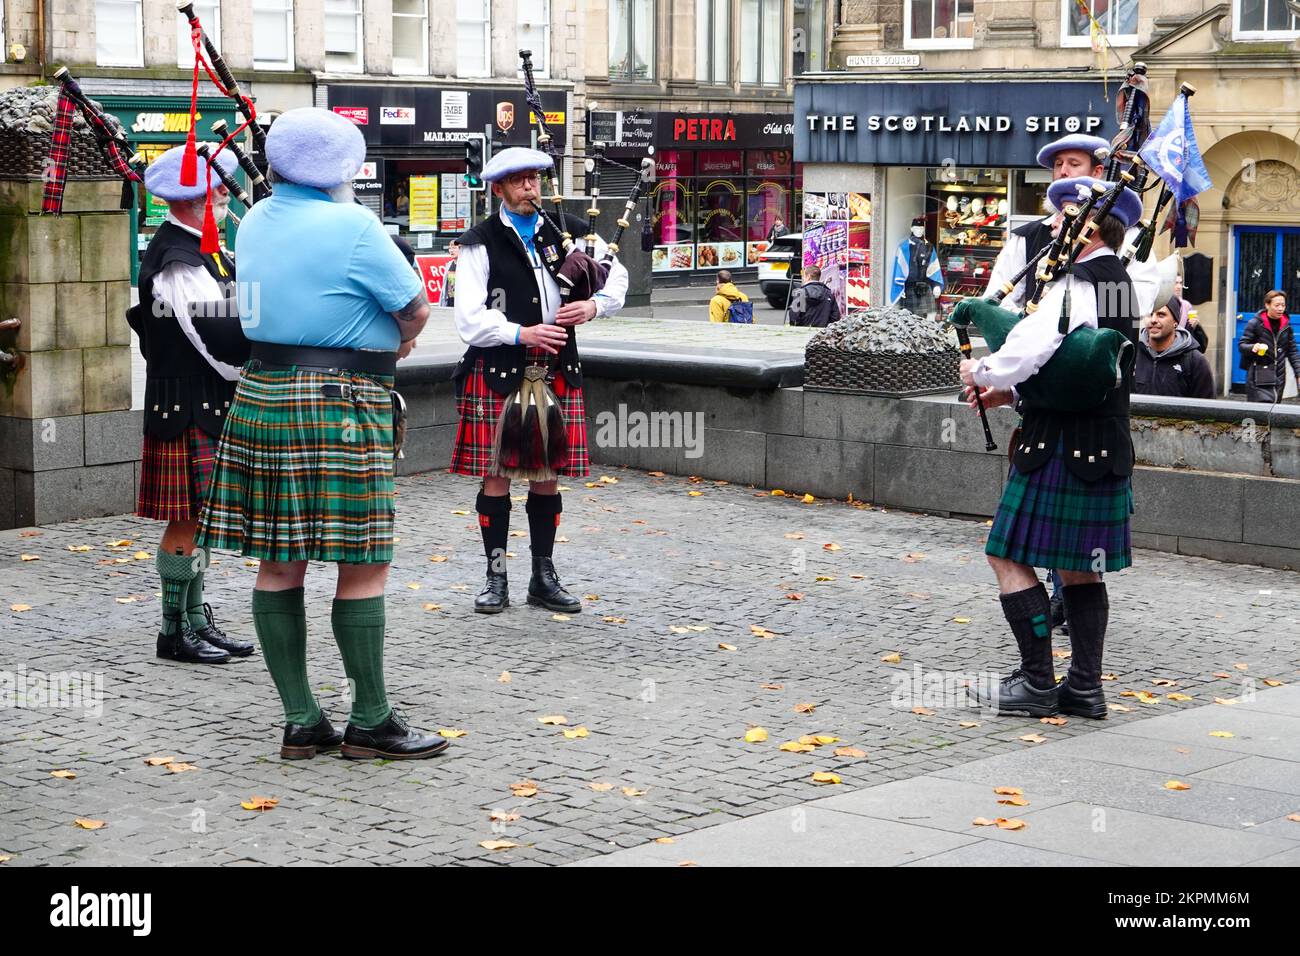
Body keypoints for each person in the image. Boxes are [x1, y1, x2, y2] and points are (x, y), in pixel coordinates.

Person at [195, 108, 448, 762]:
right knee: (363, 562)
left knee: (281, 561)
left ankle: (302, 721)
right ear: (343, 170)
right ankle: (370, 720)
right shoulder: (356, 225)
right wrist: (398, 340)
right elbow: (416, 308)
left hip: (262, 393)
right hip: (340, 403)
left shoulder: (251, 222)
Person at [960, 176, 1144, 720]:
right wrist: (1011, 394)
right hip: (1102, 442)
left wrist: (983, 369)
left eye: (1066, 218)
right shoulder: (1118, 281)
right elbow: (1076, 364)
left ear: (1088, 226)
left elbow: (1034, 344)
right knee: (1080, 570)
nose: (1057, 226)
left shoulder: (1076, 282)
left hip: (1059, 445)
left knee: (1006, 554)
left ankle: (1037, 682)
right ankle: (1085, 687)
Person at [450, 147, 628, 615]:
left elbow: (617, 275)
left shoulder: (567, 230)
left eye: (534, 179)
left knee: (547, 477)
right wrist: (519, 331)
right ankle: (495, 575)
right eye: (519, 181)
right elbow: (468, 318)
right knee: (496, 477)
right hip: (500, 370)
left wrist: (594, 306)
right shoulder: (479, 241)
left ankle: (543, 577)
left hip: (557, 367)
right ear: (499, 189)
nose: (530, 187)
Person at [129, 144, 253, 666]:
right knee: (186, 522)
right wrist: (248, 369)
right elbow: (211, 335)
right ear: (187, 200)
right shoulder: (177, 260)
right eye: (214, 189)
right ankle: (172, 631)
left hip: (200, 401)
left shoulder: (201, 247)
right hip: (185, 405)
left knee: (198, 521)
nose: (224, 193)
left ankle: (197, 619)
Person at [983, 134, 1163, 318]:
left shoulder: (1129, 236)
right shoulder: (1027, 237)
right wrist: (1027, 320)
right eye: (1058, 164)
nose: (1063, 171)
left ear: (1097, 172)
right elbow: (995, 301)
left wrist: (1073, 312)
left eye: (1074, 164)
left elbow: (1139, 303)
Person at [1135, 296, 1215, 398]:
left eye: (1161, 315)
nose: (1153, 320)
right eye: (1150, 314)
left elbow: (1207, 408)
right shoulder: (1132, 354)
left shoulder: (1195, 361)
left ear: (1175, 322)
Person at [1238, 290, 1300, 404]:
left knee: (1274, 409)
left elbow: (1292, 352)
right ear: (1267, 305)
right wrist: (1253, 347)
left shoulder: (1286, 326)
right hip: (1259, 375)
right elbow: (1242, 345)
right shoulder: (1255, 323)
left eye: (1283, 305)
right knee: (1259, 412)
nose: (1281, 308)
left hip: (1279, 375)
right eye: (1277, 305)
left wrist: (1298, 373)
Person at [444, 239, 459, 308]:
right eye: (450, 248)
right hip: (450, 302)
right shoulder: (448, 265)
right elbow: (445, 286)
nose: (451, 250)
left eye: (454, 248)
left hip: (460, 302)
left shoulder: (466, 265)